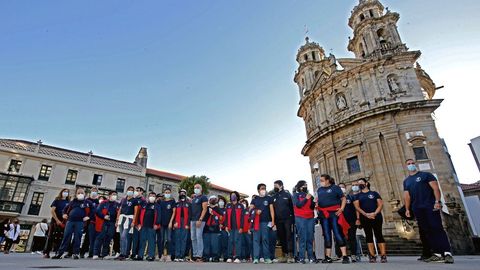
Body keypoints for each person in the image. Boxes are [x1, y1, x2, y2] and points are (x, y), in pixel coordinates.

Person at [403, 159, 454, 264]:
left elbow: (436, 188)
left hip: (430, 205)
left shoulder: (426, 175)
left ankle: (447, 253)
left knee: (437, 228)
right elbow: (407, 196)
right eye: (408, 164)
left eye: (412, 163)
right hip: (417, 207)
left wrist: (437, 201)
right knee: (427, 231)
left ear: (415, 164)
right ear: (406, 166)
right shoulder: (406, 181)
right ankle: (436, 254)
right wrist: (407, 209)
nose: (411, 165)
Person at [316, 174, 350, 264]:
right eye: (320, 180)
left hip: (334, 213)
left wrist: (342, 209)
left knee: (337, 234)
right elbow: (319, 201)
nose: (321, 182)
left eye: (322, 180)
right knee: (327, 235)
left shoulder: (335, 188)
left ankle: (345, 256)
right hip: (324, 215)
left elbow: (343, 198)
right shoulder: (319, 190)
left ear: (327, 180)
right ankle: (328, 257)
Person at [353, 178, 387, 263]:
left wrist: (374, 213)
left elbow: (380, 204)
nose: (359, 185)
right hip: (365, 218)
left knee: (379, 235)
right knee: (368, 236)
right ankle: (372, 255)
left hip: (376, 217)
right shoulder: (357, 195)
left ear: (366, 183)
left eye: (361, 183)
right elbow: (357, 207)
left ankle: (383, 255)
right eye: (358, 184)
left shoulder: (374, 193)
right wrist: (365, 214)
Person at [52, 188, 90, 259]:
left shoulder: (87, 202)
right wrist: (64, 214)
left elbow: (94, 210)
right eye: (78, 193)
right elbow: (64, 209)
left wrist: (88, 216)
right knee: (66, 236)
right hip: (70, 221)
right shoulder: (73, 202)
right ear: (76, 194)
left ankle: (76, 253)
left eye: (81, 193)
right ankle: (60, 253)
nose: (80, 194)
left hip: (80, 222)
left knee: (77, 238)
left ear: (84, 194)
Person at [250, 183, 275, 264]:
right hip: (256, 222)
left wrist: (273, 221)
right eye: (262, 188)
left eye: (264, 188)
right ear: (258, 190)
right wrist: (256, 211)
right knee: (256, 240)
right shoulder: (254, 199)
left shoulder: (269, 198)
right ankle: (256, 258)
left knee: (265, 240)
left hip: (265, 222)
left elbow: (272, 210)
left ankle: (267, 258)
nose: (263, 190)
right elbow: (250, 210)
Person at [293, 180, 315, 264]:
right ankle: (301, 257)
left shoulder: (309, 195)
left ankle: (311, 257)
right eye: (304, 185)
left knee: (310, 237)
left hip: (310, 218)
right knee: (302, 238)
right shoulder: (296, 195)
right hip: (300, 218)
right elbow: (298, 205)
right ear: (300, 187)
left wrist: (314, 202)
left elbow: (312, 207)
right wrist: (306, 199)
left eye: (306, 185)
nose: (306, 187)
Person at [272, 180, 295, 263]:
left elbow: (292, 208)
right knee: (282, 237)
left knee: (289, 236)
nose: (274, 187)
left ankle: (290, 255)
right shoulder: (274, 196)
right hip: (278, 221)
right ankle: (284, 255)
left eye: (276, 185)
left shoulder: (287, 195)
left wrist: (293, 220)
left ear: (281, 186)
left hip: (288, 219)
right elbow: (272, 210)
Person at [44, 188, 70, 258]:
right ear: (61, 192)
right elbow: (52, 211)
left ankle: (58, 252)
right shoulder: (57, 200)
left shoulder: (68, 202)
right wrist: (57, 220)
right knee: (51, 236)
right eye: (64, 191)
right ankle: (47, 252)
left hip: (64, 220)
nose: (65, 193)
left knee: (61, 237)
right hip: (55, 219)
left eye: (67, 192)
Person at [136, 192, 161, 261]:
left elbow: (159, 215)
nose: (152, 197)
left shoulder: (157, 206)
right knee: (142, 240)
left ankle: (151, 255)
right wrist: (138, 223)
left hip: (152, 226)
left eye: (153, 196)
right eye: (150, 196)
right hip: (143, 225)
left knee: (151, 241)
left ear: (155, 198)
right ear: (148, 197)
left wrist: (157, 224)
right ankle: (140, 255)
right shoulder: (144, 205)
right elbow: (139, 214)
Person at [93, 193, 119, 259]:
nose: (114, 196)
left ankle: (105, 254)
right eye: (113, 194)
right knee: (100, 237)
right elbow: (98, 211)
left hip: (112, 223)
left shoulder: (117, 204)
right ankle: (96, 253)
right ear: (109, 196)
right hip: (104, 222)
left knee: (108, 238)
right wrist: (104, 216)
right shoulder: (104, 203)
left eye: (115, 195)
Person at [115, 186, 138, 261]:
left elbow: (136, 211)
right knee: (121, 236)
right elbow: (120, 209)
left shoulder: (134, 200)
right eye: (129, 190)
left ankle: (125, 254)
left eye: (132, 190)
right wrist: (117, 220)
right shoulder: (123, 199)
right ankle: (122, 253)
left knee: (124, 236)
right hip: (122, 218)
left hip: (129, 218)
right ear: (127, 191)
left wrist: (134, 221)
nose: (130, 191)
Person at [225, 191, 244, 263]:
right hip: (230, 227)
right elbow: (226, 217)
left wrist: (241, 227)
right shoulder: (228, 205)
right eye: (231, 195)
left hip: (238, 227)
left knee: (237, 241)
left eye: (234, 195)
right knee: (230, 241)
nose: (232, 196)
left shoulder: (240, 206)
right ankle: (229, 257)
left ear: (237, 196)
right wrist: (226, 226)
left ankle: (237, 257)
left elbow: (242, 217)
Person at [190, 183, 208, 262]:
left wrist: (200, 219)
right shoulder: (194, 198)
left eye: (198, 187)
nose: (196, 189)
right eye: (195, 187)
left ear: (201, 189)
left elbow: (204, 209)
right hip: (192, 220)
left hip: (199, 220)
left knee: (198, 237)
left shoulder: (203, 197)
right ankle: (194, 254)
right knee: (193, 238)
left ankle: (199, 255)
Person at [81, 187, 100, 258]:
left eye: (95, 191)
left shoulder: (98, 202)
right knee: (84, 237)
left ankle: (91, 253)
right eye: (93, 191)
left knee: (91, 238)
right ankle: (81, 252)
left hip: (93, 221)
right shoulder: (86, 200)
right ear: (90, 192)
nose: (94, 192)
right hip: (85, 221)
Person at [158, 188, 176, 262]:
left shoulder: (172, 201)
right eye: (166, 192)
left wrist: (171, 222)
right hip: (162, 223)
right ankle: (162, 255)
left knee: (169, 239)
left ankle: (169, 255)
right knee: (161, 239)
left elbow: (174, 212)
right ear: (164, 193)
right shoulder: (161, 201)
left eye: (168, 192)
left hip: (169, 223)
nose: (167, 193)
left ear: (170, 193)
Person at [203, 195, 223, 262]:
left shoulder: (218, 209)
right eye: (211, 199)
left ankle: (215, 256)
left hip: (215, 229)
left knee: (215, 244)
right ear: (209, 200)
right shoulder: (206, 208)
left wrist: (214, 213)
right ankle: (206, 256)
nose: (213, 200)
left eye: (214, 199)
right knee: (206, 243)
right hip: (206, 228)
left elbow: (221, 217)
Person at [174, 189, 191, 262]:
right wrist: (175, 222)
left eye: (183, 193)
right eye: (181, 193)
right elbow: (174, 214)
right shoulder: (177, 203)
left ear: (186, 194)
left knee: (183, 239)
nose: (182, 194)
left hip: (185, 222)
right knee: (177, 239)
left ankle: (182, 256)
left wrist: (188, 224)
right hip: (177, 222)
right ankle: (177, 255)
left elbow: (190, 215)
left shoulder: (188, 204)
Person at [130, 186, 146, 260]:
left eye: (138, 190)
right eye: (136, 190)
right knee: (134, 239)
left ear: (142, 192)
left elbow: (142, 213)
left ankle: (139, 254)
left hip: (139, 223)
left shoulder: (143, 201)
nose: (137, 191)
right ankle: (133, 253)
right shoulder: (133, 200)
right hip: (132, 221)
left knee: (139, 239)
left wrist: (139, 223)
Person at [217, 195, 228, 262]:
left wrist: (223, 225)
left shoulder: (226, 210)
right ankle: (217, 256)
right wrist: (218, 225)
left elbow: (227, 219)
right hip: (217, 229)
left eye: (222, 201)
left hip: (224, 229)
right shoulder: (216, 209)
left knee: (225, 243)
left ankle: (225, 256)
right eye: (219, 201)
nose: (221, 202)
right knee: (218, 244)